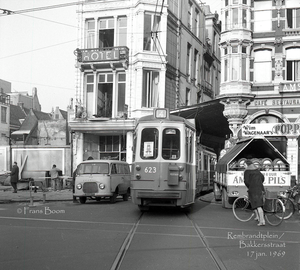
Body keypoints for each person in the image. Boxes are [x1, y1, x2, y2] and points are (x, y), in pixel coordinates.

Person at [244, 159, 266, 226]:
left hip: (253, 190)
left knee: (258, 205)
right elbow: (262, 177)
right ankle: (257, 217)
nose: (244, 166)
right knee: (255, 203)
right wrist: (259, 183)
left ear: (247, 165)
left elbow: (246, 181)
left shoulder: (247, 171)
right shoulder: (256, 170)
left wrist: (250, 186)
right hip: (260, 188)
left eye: (244, 165)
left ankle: (262, 221)